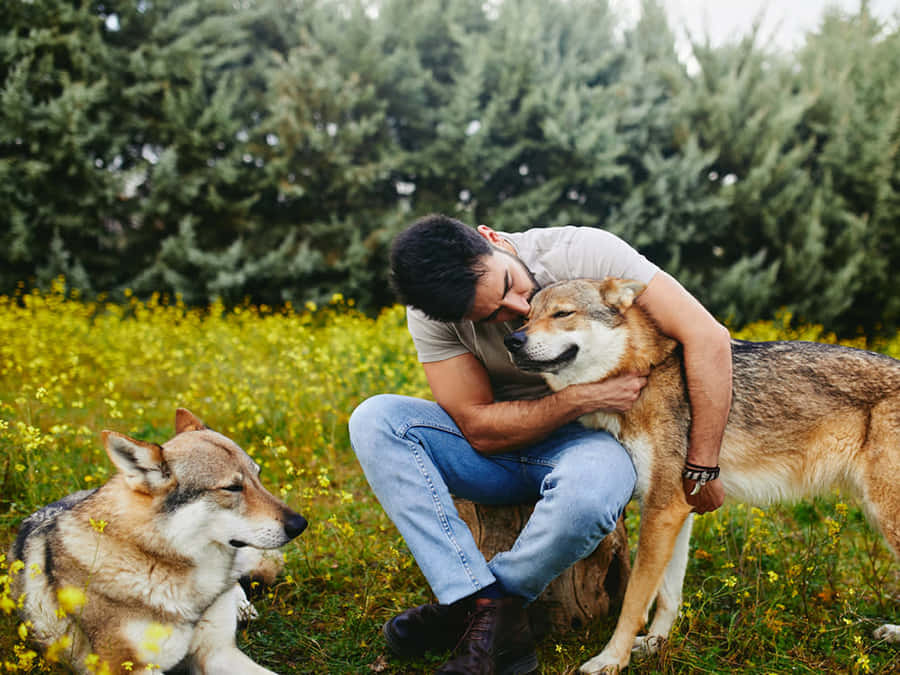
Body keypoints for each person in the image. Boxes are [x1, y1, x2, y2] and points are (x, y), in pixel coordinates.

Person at [349, 214, 732, 674]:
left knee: (592, 493)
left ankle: (485, 607)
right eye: (491, 315)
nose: (517, 307)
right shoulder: (435, 311)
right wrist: (582, 397)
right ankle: (473, 596)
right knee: (375, 419)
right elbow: (477, 426)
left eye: (509, 283)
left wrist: (703, 466)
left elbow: (708, 337)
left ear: (491, 240)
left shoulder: (584, 252)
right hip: (495, 443)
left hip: (589, 443)